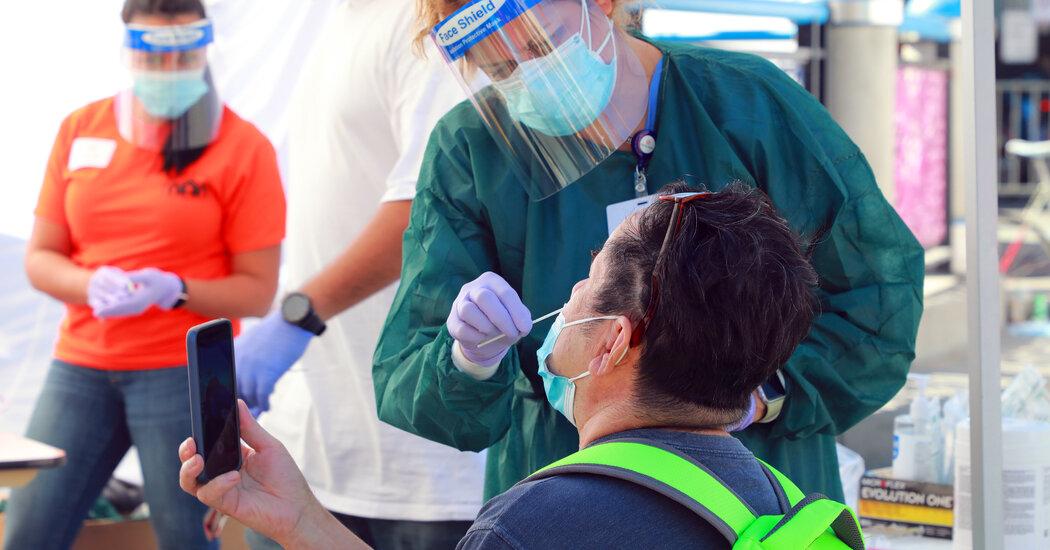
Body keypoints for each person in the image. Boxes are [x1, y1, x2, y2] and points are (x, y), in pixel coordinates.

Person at [371, 0, 925, 503]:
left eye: (542, 46)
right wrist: (470, 359)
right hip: (568, 492)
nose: (531, 76)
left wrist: (758, 397)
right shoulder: (473, 147)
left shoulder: (746, 103)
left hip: (751, 487)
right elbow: (410, 372)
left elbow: (878, 300)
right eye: (502, 69)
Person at [179, 183, 857, 549]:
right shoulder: (776, 502)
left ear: (611, 342)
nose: (568, 296)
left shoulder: (533, 526)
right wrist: (302, 522)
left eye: (587, 280)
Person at [3, 1, 285, 548]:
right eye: (154, 57)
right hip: (81, 364)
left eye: (182, 55)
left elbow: (257, 292)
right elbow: (40, 258)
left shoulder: (243, 147)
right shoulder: (80, 129)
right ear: (129, 51)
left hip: (182, 373)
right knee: (29, 530)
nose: (168, 70)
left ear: (204, 49)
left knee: (187, 536)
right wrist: (89, 283)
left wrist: (175, 291)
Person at [231, 1, 487, 548]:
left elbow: (427, 207)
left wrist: (297, 316)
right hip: (315, 447)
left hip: (419, 459)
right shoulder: (337, 24)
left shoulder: (421, 23)